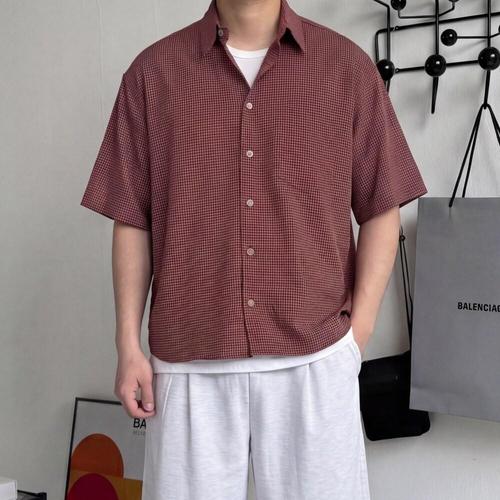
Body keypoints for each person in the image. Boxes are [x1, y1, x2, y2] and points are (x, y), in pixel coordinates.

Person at [80, 0, 428, 498]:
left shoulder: (345, 66)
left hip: (314, 359)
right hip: (188, 361)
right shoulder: (153, 73)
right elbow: (132, 219)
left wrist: (359, 332)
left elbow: (381, 205)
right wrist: (127, 345)